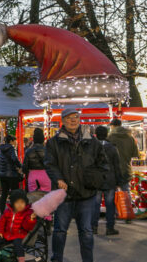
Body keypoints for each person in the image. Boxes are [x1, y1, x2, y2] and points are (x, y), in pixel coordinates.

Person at [45, 108, 107, 262]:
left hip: (86, 194)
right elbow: (50, 164)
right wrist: (58, 178)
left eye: (76, 117)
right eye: (69, 117)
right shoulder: (53, 142)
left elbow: (103, 163)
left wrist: (96, 179)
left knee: (86, 231)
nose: (73, 120)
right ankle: (57, 259)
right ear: (63, 121)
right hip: (63, 194)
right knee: (59, 230)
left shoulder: (92, 142)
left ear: (79, 119)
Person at [92, 126, 123, 236]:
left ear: (96, 134)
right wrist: (119, 181)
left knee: (95, 204)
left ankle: (93, 227)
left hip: (96, 180)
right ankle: (110, 228)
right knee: (110, 204)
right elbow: (117, 166)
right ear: (106, 134)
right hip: (110, 179)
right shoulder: (113, 148)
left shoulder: (92, 147)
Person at [107, 118, 139, 224]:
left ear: (112, 126)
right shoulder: (130, 137)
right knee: (126, 192)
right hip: (125, 169)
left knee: (111, 193)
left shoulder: (110, 137)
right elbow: (135, 154)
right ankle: (127, 215)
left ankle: (114, 215)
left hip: (112, 170)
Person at [0, 189, 37, 262]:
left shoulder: (27, 213)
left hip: (18, 234)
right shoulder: (8, 211)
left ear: (26, 203)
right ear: (13, 203)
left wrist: (31, 219)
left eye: (22, 202)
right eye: (17, 202)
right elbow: (1, 222)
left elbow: (27, 226)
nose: (20, 205)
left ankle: (21, 259)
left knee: (18, 245)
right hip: (7, 234)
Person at [0, 135, 22, 215]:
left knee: (4, 194)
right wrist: (20, 166)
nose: (15, 142)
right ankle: (13, 213)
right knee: (14, 194)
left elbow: (0, 160)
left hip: (2, 174)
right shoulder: (11, 148)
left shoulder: (1, 149)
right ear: (11, 141)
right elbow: (14, 159)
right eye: (14, 140)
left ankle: (2, 213)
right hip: (12, 174)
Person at [23, 128, 50, 193]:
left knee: (33, 198)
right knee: (46, 197)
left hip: (33, 175)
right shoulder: (48, 151)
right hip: (46, 175)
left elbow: (24, 168)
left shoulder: (28, 151)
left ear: (34, 139)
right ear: (43, 139)